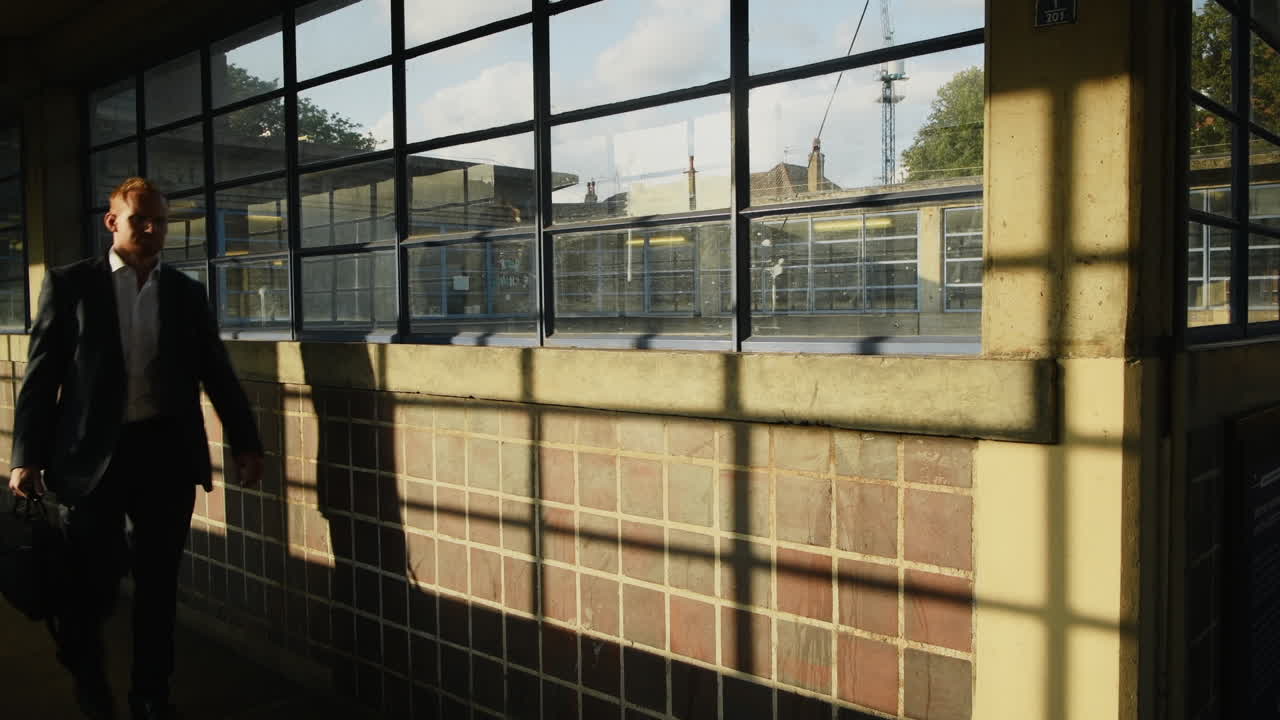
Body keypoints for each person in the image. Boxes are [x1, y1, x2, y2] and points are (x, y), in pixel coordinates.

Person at [8, 176, 263, 720]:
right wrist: (25, 455)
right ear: (112, 221)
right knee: (89, 586)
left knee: (158, 586)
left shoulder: (186, 293)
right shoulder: (71, 284)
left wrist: (245, 442)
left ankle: (152, 695)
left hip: (164, 456)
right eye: (140, 219)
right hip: (90, 460)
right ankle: (90, 684)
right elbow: (41, 375)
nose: (152, 230)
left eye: (161, 222)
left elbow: (216, 372)